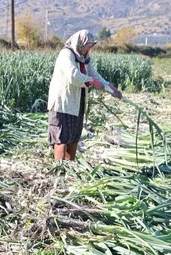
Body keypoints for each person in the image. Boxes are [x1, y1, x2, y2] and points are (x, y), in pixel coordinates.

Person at [47, 29, 122, 161]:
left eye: (90, 46)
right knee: (61, 137)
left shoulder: (85, 59)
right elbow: (73, 75)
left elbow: (95, 75)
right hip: (62, 103)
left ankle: (71, 165)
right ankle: (59, 167)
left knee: (74, 137)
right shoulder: (66, 54)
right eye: (87, 45)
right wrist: (91, 81)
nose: (88, 49)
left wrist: (110, 88)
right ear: (80, 43)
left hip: (77, 103)